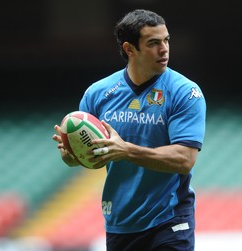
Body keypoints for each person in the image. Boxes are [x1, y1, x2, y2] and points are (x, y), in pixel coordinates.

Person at [52, 9, 206, 251]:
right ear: (129, 49)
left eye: (166, 40)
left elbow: (185, 159)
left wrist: (126, 151)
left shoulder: (185, 92)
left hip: (169, 219)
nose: (164, 49)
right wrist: (71, 155)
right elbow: (89, 158)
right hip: (120, 223)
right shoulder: (97, 94)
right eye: (153, 43)